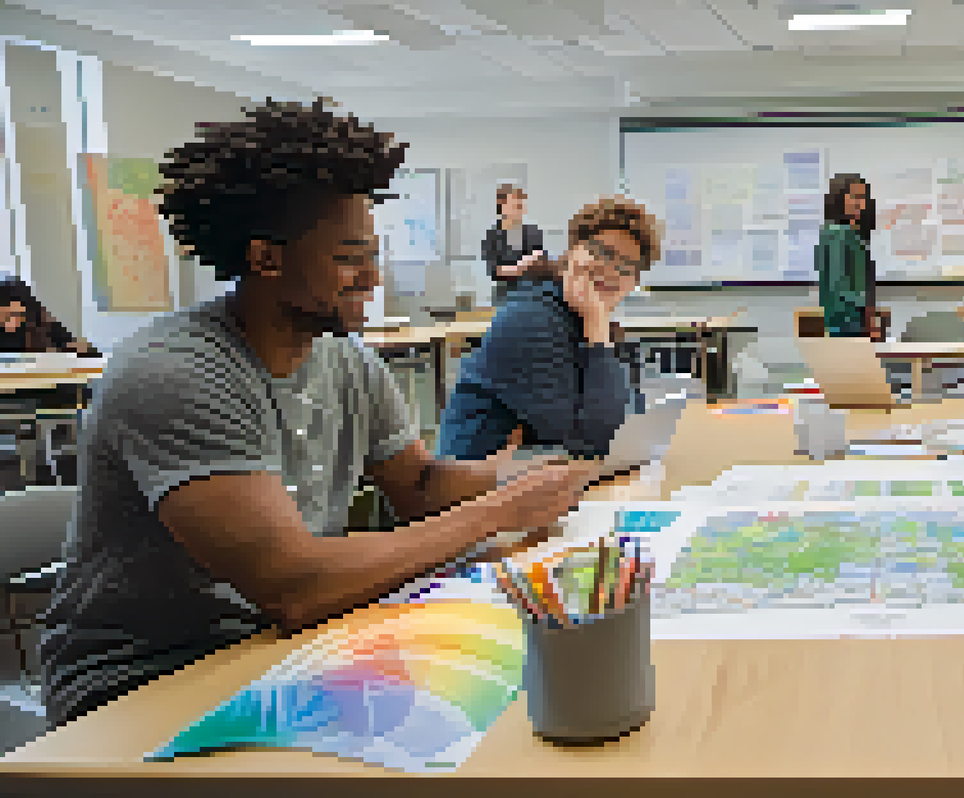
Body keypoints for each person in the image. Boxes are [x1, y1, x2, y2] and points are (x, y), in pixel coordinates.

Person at [38, 99, 598, 730]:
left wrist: (529, 476)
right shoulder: (176, 373)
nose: (372, 276)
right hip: (142, 685)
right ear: (265, 258)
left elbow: (417, 486)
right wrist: (500, 512)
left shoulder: (345, 360)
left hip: (278, 651)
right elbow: (293, 584)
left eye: (373, 253)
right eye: (349, 257)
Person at [438, 196, 659, 461]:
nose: (611, 270)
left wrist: (598, 326)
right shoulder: (529, 316)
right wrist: (598, 329)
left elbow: (627, 418)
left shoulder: (585, 318)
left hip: (535, 481)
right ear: (570, 252)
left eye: (627, 266)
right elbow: (595, 443)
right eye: (602, 252)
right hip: (474, 493)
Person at [816, 173, 881, 341]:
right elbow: (848, 288)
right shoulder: (841, 234)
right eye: (854, 197)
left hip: (843, 320)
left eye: (863, 197)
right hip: (849, 321)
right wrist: (870, 321)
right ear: (839, 199)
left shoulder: (839, 232)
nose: (860, 203)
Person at [0, 276, 99, 355]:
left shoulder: (40, 321)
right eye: (5, 317)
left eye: (17, 315)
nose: (10, 323)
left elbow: (68, 342)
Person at [483, 184, 546, 305]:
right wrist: (519, 267)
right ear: (502, 207)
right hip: (504, 295)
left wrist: (516, 268)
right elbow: (494, 270)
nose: (521, 210)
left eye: (521, 206)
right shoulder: (492, 235)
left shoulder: (533, 232)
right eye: (516, 206)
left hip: (530, 293)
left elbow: (539, 264)